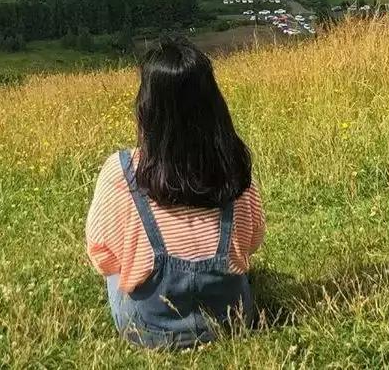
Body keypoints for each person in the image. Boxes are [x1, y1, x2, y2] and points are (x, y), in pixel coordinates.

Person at [86, 37, 265, 349]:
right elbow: (253, 240)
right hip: (232, 321)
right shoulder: (232, 166)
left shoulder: (123, 170)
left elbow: (102, 256)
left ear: (147, 107)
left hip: (150, 330)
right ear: (213, 104)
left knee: (116, 276)